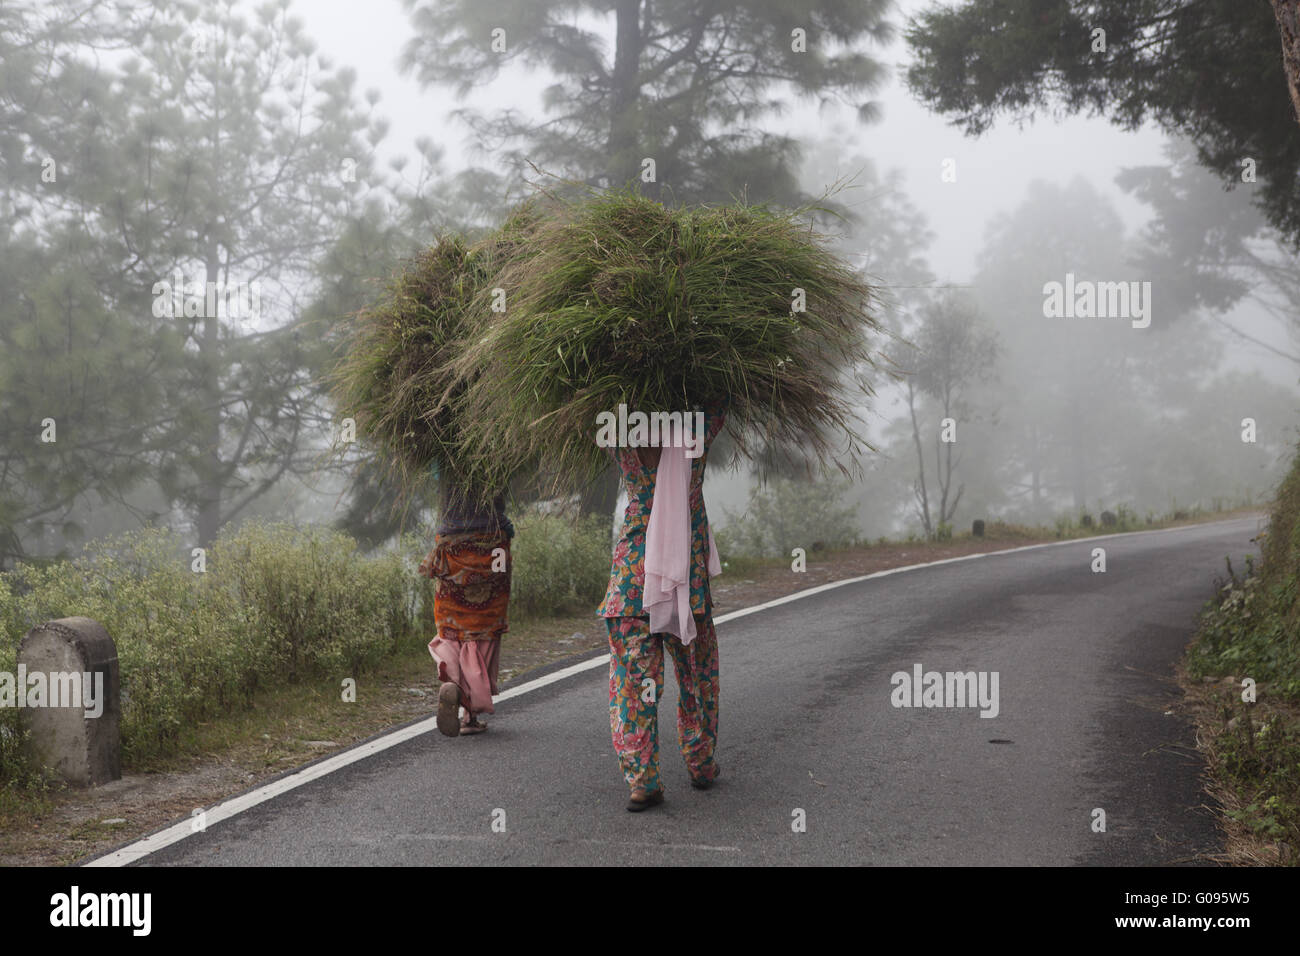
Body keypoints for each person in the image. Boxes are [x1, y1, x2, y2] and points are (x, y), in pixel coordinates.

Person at [598, 399, 727, 811]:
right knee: (697, 675)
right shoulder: (696, 431)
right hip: (683, 579)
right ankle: (701, 763)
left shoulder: (619, 425)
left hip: (631, 579)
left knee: (634, 685)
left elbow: (593, 414)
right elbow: (721, 402)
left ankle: (643, 780)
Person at [418, 457, 514, 737]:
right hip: (492, 549)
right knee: (484, 627)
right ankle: (469, 714)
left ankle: (455, 683)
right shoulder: (499, 453)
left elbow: (436, 473)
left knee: (452, 625)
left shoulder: (443, 459)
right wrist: (508, 529)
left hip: (452, 550)